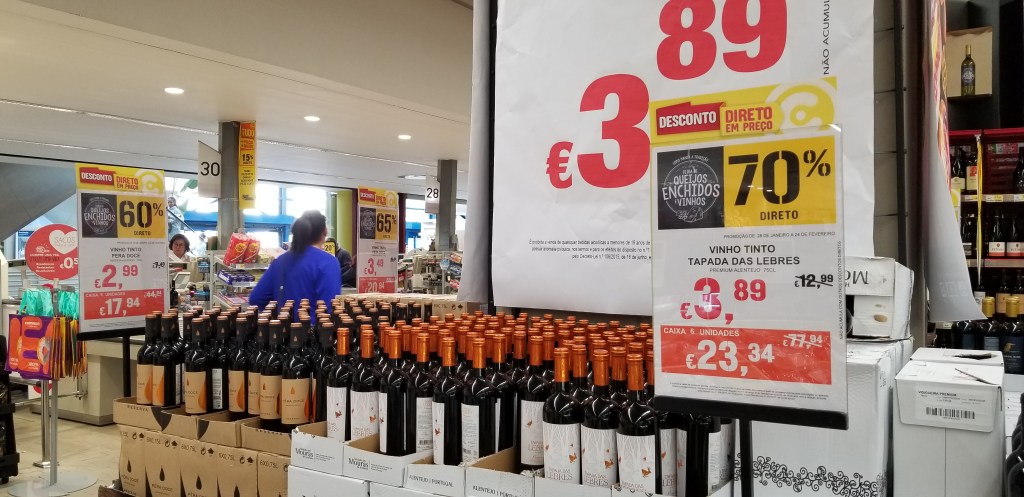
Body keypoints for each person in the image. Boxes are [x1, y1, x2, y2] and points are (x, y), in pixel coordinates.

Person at [249, 210, 341, 310]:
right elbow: (330, 306)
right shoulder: (328, 262)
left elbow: (255, 299)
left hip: (283, 319)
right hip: (314, 320)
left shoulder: (280, 261)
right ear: (325, 232)